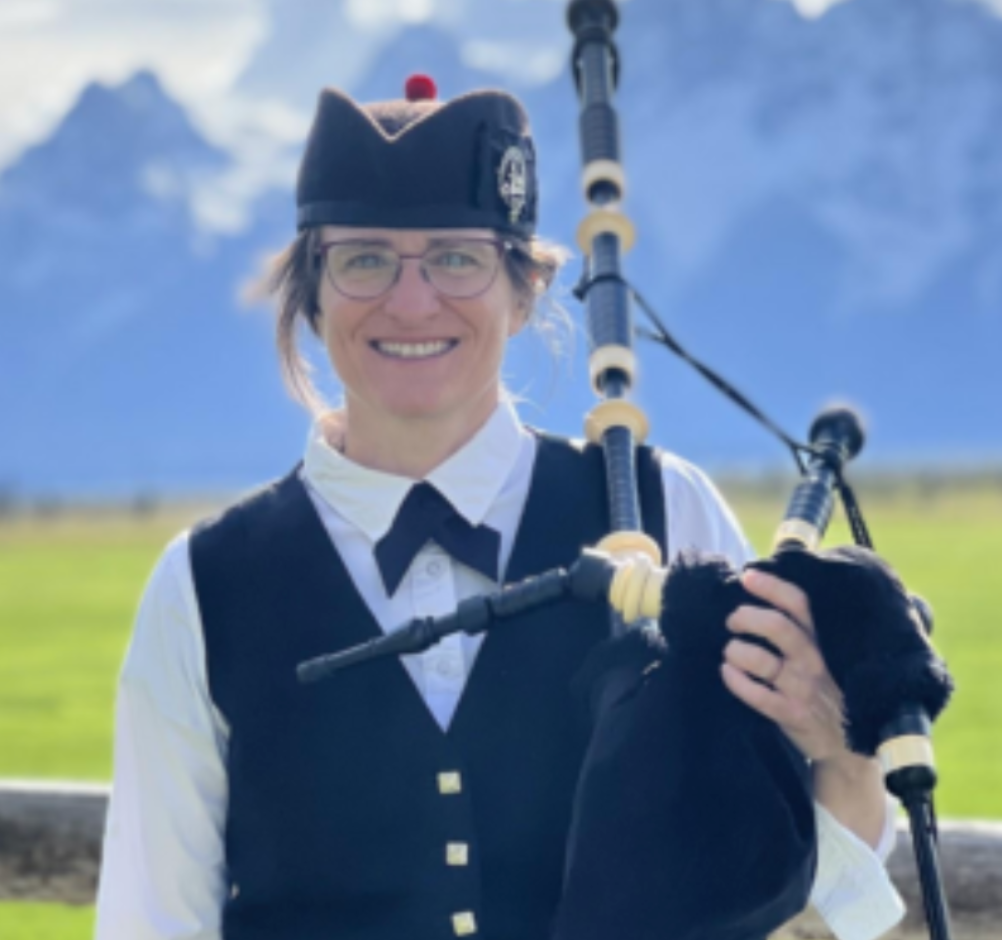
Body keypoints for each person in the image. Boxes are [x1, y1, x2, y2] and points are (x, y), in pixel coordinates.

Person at [95, 75, 904, 940]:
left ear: (525, 292)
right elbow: (152, 923)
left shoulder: (669, 512)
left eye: (457, 257)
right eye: (364, 258)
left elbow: (817, 905)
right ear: (312, 294)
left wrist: (844, 752)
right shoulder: (203, 587)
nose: (412, 301)